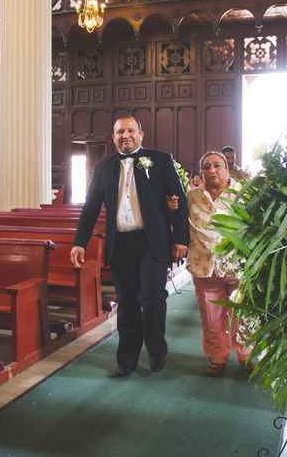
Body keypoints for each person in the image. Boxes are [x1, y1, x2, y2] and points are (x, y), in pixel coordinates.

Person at [70, 116, 189, 378]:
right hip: (121, 243)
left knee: (152, 297)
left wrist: (181, 238)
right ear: (113, 137)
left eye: (131, 130)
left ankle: (157, 349)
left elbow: (178, 200)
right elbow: (90, 208)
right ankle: (127, 359)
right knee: (127, 304)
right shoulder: (103, 168)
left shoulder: (160, 160)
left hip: (152, 242)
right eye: (120, 131)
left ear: (141, 134)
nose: (126, 135)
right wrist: (80, 242)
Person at [186, 151, 252, 377]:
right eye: (206, 167)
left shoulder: (243, 194)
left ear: (227, 169)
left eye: (217, 165)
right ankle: (217, 358)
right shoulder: (191, 197)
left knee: (243, 317)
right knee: (211, 319)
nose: (212, 170)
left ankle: (247, 356)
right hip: (204, 267)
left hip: (238, 267)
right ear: (201, 171)